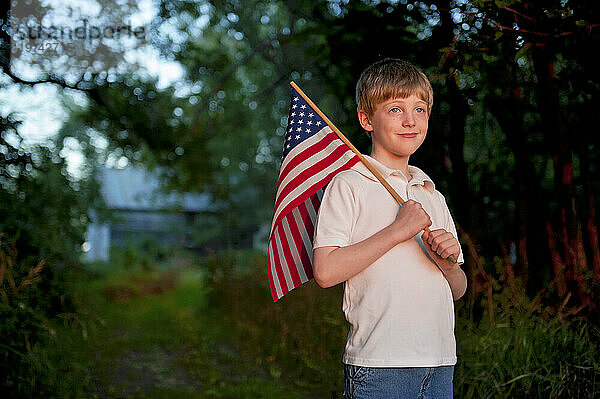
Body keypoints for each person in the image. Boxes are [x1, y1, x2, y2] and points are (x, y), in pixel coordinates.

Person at [312, 58, 467, 399]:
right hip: (382, 363)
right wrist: (397, 231)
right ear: (367, 119)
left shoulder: (431, 193)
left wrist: (447, 262)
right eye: (396, 109)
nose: (411, 120)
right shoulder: (350, 184)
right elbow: (325, 271)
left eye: (420, 109)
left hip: (440, 360)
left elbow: (457, 288)